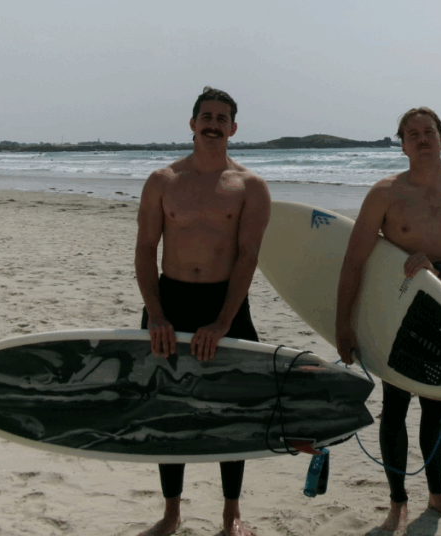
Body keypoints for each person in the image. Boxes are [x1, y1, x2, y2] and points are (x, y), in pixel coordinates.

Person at [334, 107, 441, 533]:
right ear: (401, 144)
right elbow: (354, 260)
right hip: (394, 314)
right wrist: (342, 324)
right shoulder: (384, 193)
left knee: (436, 408)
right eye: (412, 133)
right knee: (395, 407)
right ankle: (398, 502)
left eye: (429, 131)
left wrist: (438, 267)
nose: (422, 138)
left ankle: (437, 494)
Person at [134, 86, 271, 536]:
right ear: (192, 123)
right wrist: (155, 314)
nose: (213, 124)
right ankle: (172, 513)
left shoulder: (250, 186)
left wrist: (223, 321)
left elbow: (248, 257)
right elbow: (145, 251)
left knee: (233, 410)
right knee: (166, 409)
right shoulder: (163, 180)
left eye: (222, 118)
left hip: (225, 304)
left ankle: (232, 514)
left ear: (234, 128)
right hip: (169, 303)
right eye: (206, 116)